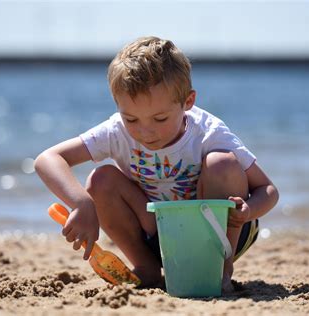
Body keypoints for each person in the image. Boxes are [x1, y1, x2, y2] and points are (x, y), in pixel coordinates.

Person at [34, 36, 279, 292]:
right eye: (131, 119)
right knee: (100, 180)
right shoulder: (117, 132)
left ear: (188, 102)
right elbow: (47, 159)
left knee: (221, 163)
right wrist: (81, 203)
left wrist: (247, 211)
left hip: (223, 232)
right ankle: (146, 267)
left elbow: (268, 190)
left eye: (160, 118)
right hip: (158, 234)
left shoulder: (209, 133)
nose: (145, 131)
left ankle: (220, 268)